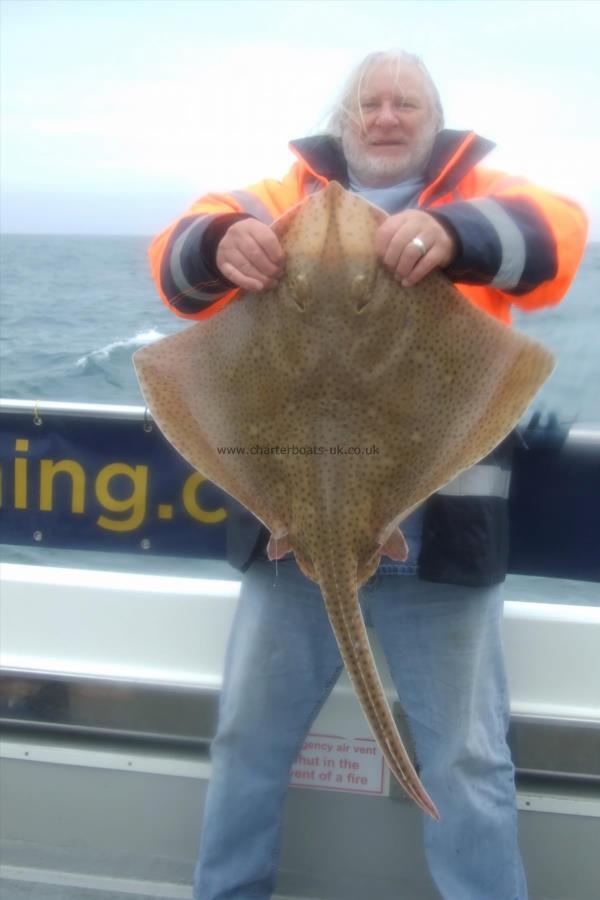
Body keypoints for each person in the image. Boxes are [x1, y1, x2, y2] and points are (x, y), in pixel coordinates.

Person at [148, 51, 587, 900]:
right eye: (370, 103)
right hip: (289, 535)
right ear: (345, 120)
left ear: (434, 120)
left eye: (406, 103)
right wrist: (215, 242)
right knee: (247, 741)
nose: (387, 116)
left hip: (446, 547)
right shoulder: (275, 201)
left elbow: (558, 235)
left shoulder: (476, 192)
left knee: (466, 760)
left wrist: (458, 236)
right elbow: (176, 259)